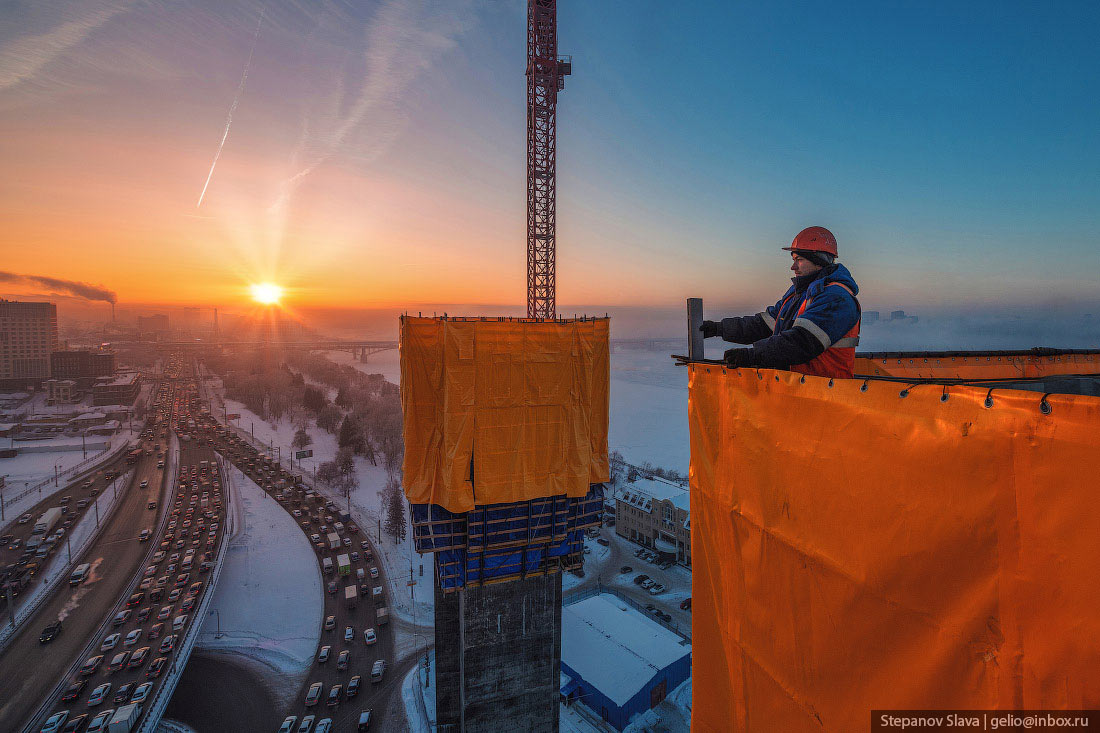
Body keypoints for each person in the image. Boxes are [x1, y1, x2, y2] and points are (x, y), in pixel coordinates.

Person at [701, 226, 861, 379]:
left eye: (799, 259)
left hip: (828, 394)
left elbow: (802, 342)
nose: (793, 266)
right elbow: (763, 325)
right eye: (793, 259)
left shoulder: (837, 298)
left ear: (818, 260)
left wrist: (753, 355)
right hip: (798, 390)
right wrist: (719, 328)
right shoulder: (799, 293)